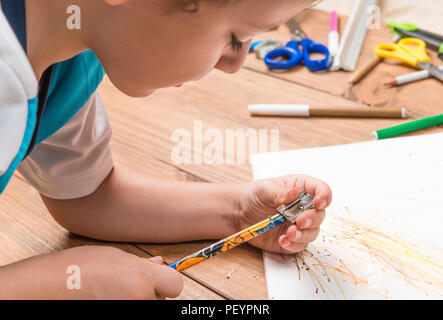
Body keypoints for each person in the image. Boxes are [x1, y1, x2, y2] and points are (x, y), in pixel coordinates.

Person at [0, 0, 331, 299]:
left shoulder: (74, 57)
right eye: (234, 38)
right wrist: (60, 283)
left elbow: (86, 197)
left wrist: (238, 214)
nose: (234, 65)